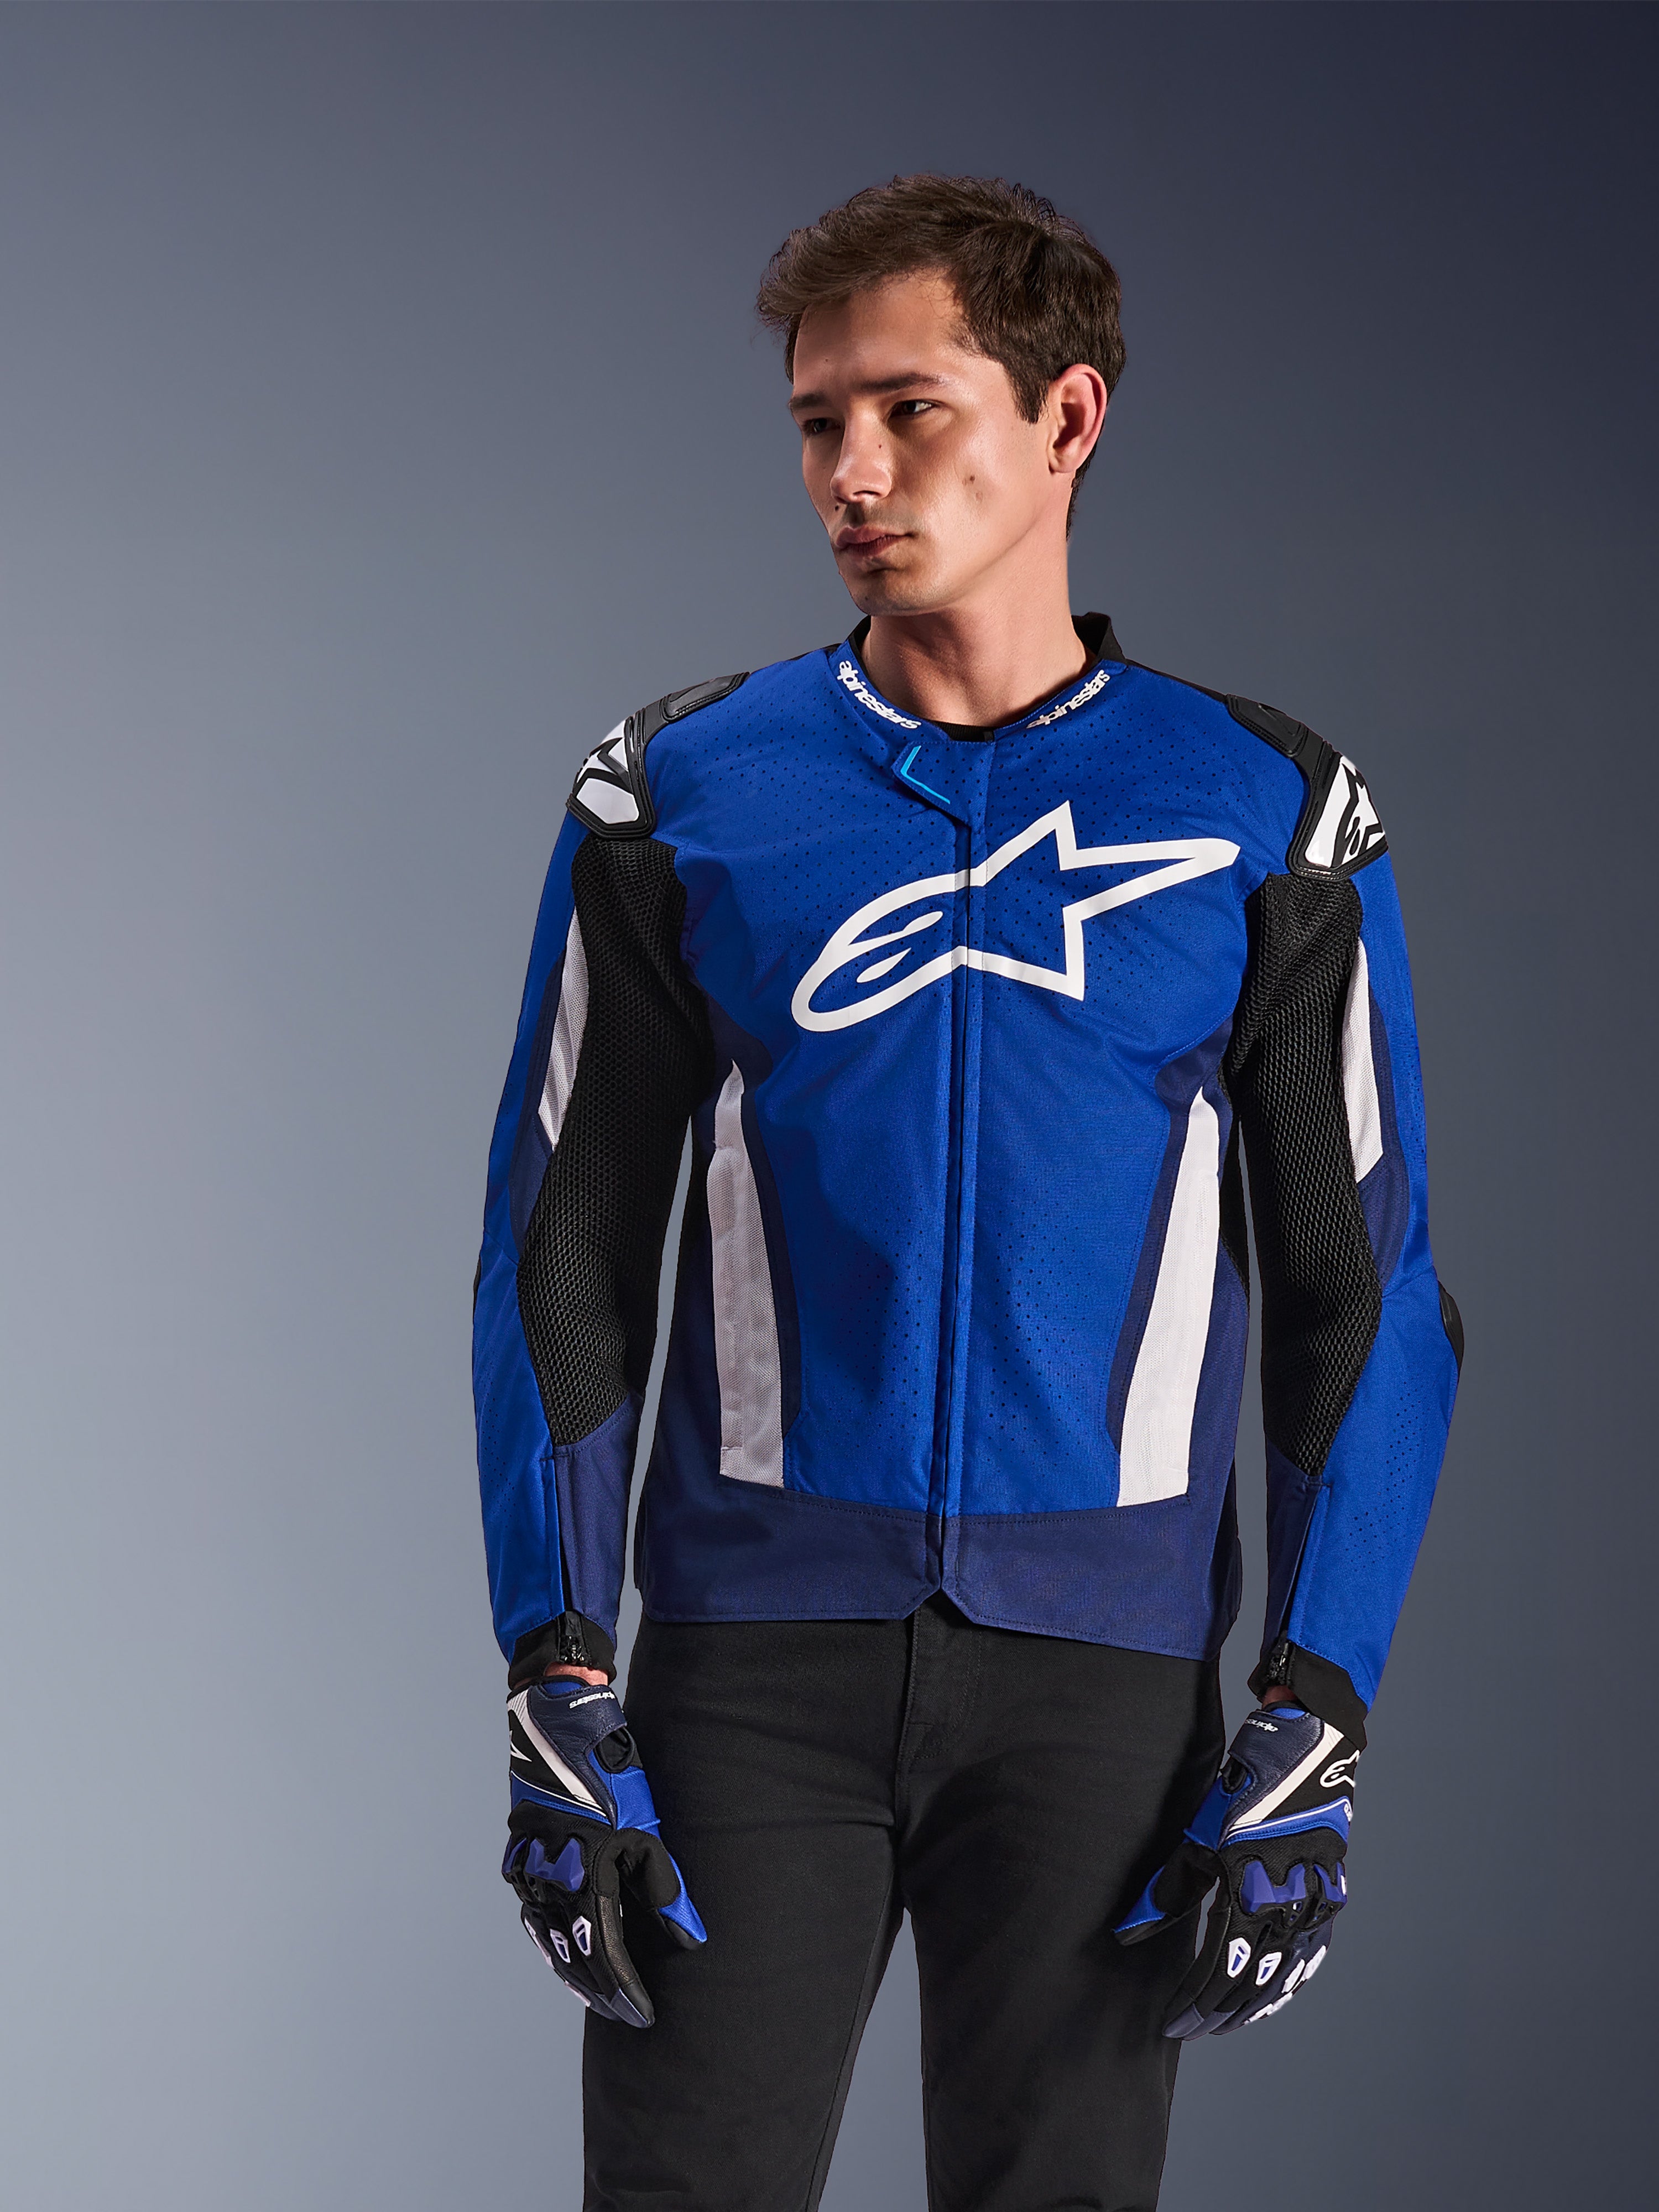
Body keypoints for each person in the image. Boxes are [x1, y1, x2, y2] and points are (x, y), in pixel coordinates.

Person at [473, 174, 1462, 2212]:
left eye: (911, 410)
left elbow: (1362, 1284)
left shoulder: (1269, 814)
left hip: (1104, 1688)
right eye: (817, 423)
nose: (853, 472)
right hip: (746, 1675)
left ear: (1066, 417)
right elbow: (561, 1243)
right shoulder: (678, 790)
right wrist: (557, 1659)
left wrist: (1319, 1698)